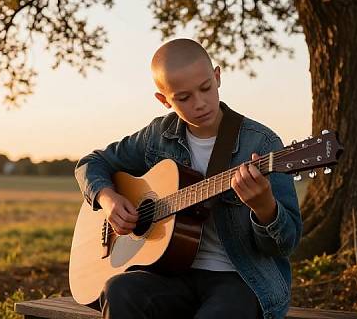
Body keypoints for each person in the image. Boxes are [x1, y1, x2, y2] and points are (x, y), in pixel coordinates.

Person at [75, 38, 302, 319]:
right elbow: (91, 163)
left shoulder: (262, 143)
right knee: (119, 290)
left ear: (217, 77)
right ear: (164, 100)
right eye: (183, 98)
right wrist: (107, 199)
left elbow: (286, 243)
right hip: (171, 275)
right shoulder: (157, 136)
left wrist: (264, 207)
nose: (200, 103)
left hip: (240, 280)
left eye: (206, 88)